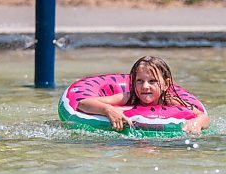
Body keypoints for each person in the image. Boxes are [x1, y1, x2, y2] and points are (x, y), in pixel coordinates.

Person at [77, 56, 210, 134]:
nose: (145, 86)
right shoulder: (128, 97)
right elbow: (83, 104)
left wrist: (196, 122)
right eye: (139, 81)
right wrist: (108, 110)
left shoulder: (171, 100)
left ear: (166, 84)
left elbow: (203, 116)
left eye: (152, 81)